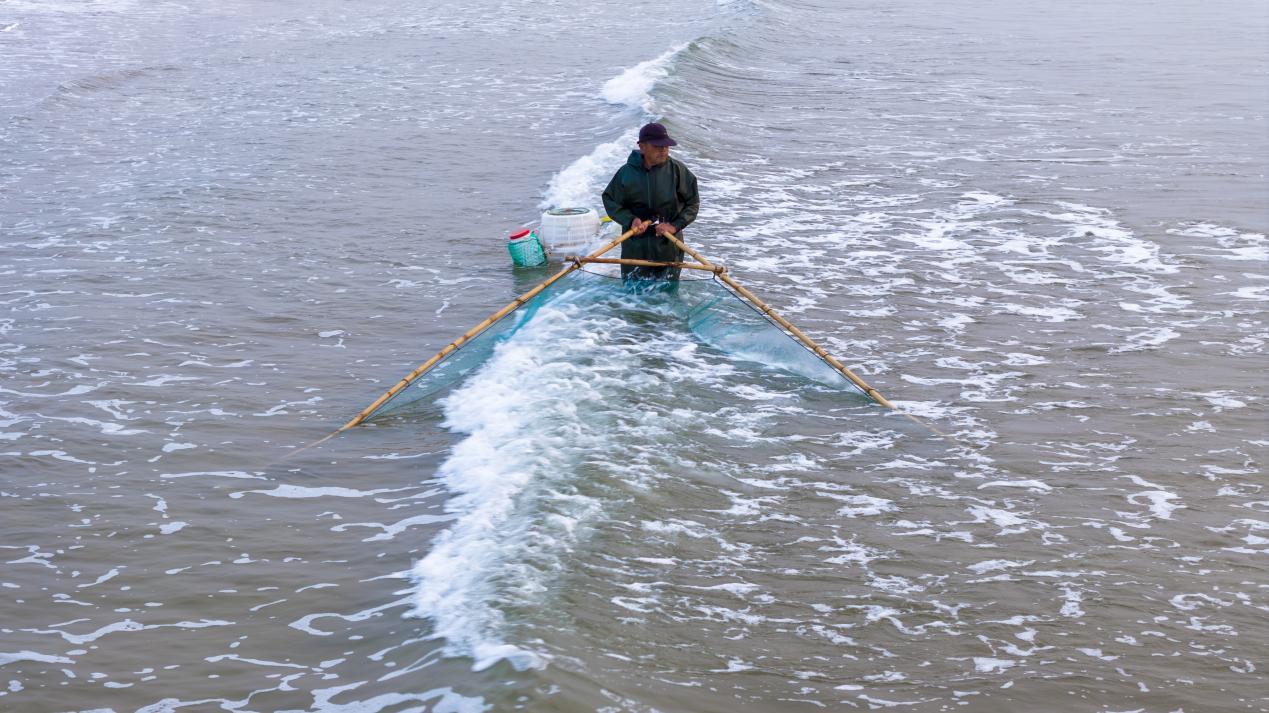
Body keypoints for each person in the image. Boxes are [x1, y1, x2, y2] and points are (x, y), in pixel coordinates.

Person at [602, 122, 700, 281]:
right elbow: (610, 200)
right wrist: (631, 220)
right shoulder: (626, 173)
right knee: (632, 297)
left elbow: (693, 203)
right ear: (642, 147)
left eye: (666, 146)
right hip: (634, 246)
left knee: (665, 298)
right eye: (657, 146)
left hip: (668, 245)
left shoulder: (677, 171)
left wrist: (675, 225)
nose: (663, 150)